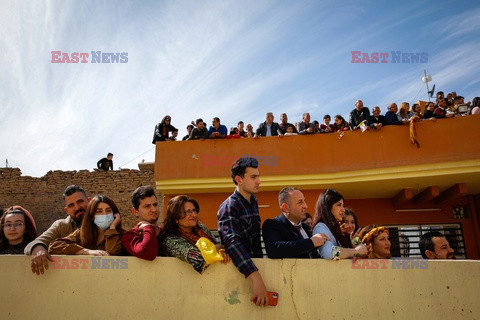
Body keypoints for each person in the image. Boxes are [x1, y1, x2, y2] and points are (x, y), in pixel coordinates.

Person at [217, 157, 268, 306]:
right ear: (239, 179)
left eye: (258, 176)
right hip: (238, 278)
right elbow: (232, 243)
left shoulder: (253, 201)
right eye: (253, 177)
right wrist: (256, 278)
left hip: (257, 266)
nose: (259, 181)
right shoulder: (229, 206)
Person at [25, 185, 89, 275]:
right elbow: (36, 242)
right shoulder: (61, 226)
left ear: (89, 201)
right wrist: (38, 249)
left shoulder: (101, 222)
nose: (77, 208)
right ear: (67, 210)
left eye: (80, 201)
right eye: (71, 205)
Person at [162, 195, 229, 273]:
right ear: (175, 218)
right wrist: (221, 248)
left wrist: (222, 251)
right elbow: (198, 257)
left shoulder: (201, 228)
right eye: (188, 212)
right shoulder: (170, 241)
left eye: (194, 210)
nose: (194, 215)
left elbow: (216, 244)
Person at [262, 187, 328, 259]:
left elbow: (328, 252)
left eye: (304, 201)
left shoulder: (307, 228)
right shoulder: (273, 224)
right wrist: (311, 242)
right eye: (300, 202)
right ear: (285, 208)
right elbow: (274, 250)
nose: (305, 206)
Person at [49, 195, 123, 256]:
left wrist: (112, 229)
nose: (105, 215)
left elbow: (112, 253)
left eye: (108, 210)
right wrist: (85, 251)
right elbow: (54, 246)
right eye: (99, 211)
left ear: (114, 214)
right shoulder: (82, 233)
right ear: (92, 216)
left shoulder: (122, 235)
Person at [312, 189, 367, 260]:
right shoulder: (321, 227)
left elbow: (362, 256)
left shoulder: (335, 231)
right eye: (339, 205)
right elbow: (331, 253)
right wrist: (357, 251)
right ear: (328, 208)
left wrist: (355, 242)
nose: (343, 209)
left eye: (343, 205)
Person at [121, 186, 162, 261]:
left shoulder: (166, 232)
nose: (154, 209)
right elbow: (147, 253)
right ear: (135, 211)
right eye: (147, 206)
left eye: (155, 204)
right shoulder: (130, 236)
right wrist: (148, 228)